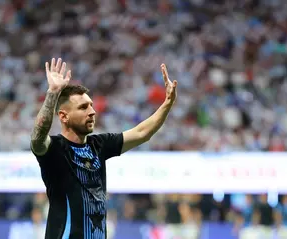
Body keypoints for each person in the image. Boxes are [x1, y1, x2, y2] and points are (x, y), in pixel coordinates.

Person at [30, 58, 177, 239]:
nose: (92, 111)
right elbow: (38, 137)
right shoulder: (54, 149)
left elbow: (142, 133)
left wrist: (167, 103)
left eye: (91, 105)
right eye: (83, 107)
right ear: (63, 116)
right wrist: (53, 93)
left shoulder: (99, 144)